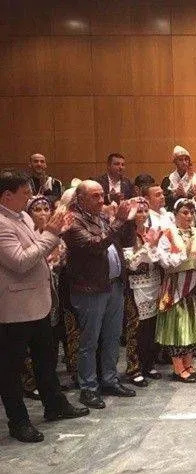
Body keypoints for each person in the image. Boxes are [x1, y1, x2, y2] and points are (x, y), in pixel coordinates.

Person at [0, 169, 88, 443]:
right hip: (14, 308)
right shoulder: (2, 224)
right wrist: (51, 233)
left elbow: (37, 250)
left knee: (46, 360)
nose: (29, 199)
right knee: (11, 369)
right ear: (6, 195)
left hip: (38, 302)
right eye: (25, 193)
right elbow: (20, 261)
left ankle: (54, 404)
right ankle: (18, 421)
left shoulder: (22, 216)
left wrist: (52, 234)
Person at [63, 180, 136, 409]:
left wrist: (128, 220)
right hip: (90, 289)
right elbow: (94, 245)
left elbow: (122, 242)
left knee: (113, 336)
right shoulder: (73, 221)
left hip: (113, 285)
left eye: (102, 195)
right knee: (89, 341)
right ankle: (88, 388)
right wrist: (119, 222)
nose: (101, 200)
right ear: (80, 199)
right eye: (95, 196)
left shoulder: (102, 217)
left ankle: (109, 380)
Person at [21, 196, 74, 399]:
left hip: (57, 292)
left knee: (52, 340)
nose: (43, 213)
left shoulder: (56, 234)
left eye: (46, 209)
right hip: (33, 294)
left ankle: (50, 382)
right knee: (31, 342)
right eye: (37, 210)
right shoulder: (29, 236)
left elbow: (63, 260)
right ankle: (30, 382)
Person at [155, 199, 196, 383]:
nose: (189, 216)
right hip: (175, 285)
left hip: (194, 284)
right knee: (177, 326)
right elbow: (164, 260)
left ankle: (188, 364)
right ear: (175, 214)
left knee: (191, 324)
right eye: (184, 212)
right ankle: (178, 367)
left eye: (191, 212)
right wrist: (183, 256)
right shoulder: (168, 233)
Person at [122, 198, 163, 387]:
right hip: (135, 285)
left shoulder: (151, 231)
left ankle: (148, 363)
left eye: (146, 211)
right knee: (135, 328)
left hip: (153, 282)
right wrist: (147, 247)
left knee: (151, 326)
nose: (143, 214)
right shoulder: (127, 234)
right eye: (139, 211)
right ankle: (134, 368)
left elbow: (158, 256)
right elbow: (130, 263)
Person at [161, 146, 195, 211]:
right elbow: (162, 201)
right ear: (175, 162)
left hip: (191, 212)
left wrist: (185, 195)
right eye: (180, 160)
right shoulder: (167, 180)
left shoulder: (195, 179)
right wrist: (175, 195)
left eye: (186, 159)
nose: (184, 162)